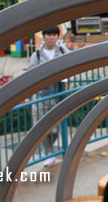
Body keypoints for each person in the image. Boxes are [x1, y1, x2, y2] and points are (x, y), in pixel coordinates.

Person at [27, 26, 69, 166]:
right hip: (40, 95)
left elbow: (71, 64)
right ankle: (49, 152)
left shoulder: (62, 51)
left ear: (57, 37)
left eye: (54, 35)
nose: (51, 37)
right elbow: (31, 72)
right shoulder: (37, 55)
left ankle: (50, 151)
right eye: (48, 35)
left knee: (56, 126)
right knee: (42, 125)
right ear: (44, 36)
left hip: (56, 94)